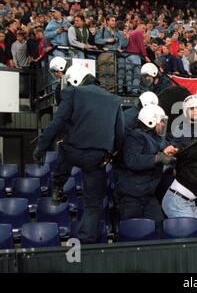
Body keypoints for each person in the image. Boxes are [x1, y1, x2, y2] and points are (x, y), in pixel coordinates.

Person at [33, 65, 125, 243]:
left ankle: (57, 186)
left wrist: (41, 146)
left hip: (73, 151)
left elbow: (58, 122)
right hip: (97, 158)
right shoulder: (114, 100)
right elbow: (120, 134)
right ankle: (87, 239)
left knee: (64, 152)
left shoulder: (73, 93)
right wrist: (111, 154)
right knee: (93, 203)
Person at [115, 105, 177, 235]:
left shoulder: (157, 139)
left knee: (159, 227)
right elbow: (132, 160)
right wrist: (158, 158)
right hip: (131, 197)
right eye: (161, 121)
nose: (163, 124)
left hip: (148, 195)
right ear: (151, 121)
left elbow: (163, 152)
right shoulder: (135, 137)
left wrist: (169, 154)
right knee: (131, 233)